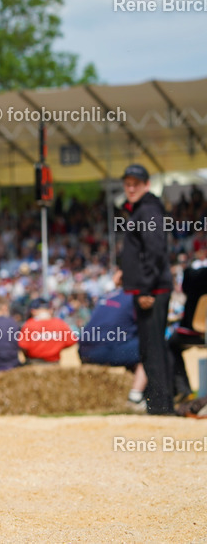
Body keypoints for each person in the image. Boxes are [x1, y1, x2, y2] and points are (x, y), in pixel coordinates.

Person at [119, 163, 176, 415]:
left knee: (152, 348)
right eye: (127, 183)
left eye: (135, 183)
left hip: (152, 291)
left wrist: (145, 289)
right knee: (152, 346)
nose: (130, 188)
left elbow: (155, 251)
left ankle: (161, 407)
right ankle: (161, 403)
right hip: (150, 287)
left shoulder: (149, 210)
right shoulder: (142, 209)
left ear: (146, 184)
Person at [78, 277, 147, 409]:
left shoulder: (107, 296)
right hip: (105, 349)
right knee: (151, 348)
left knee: (130, 345)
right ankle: (135, 397)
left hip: (84, 350)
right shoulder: (135, 298)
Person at [169, 259, 207, 401]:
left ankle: (183, 390)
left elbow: (185, 288)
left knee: (170, 345)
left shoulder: (192, 275)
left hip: (194, 331)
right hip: (198, 331)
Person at [18, 298, 77, 364]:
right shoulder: (60, 324)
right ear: (50, 310)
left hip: (34, 362)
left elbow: (23, 346)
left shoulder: (29, 325)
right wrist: (57, 349)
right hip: (54, 363)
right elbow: (72, 341)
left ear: (33, 311)